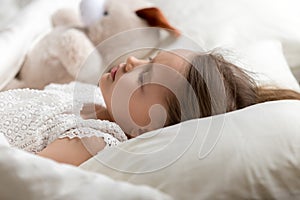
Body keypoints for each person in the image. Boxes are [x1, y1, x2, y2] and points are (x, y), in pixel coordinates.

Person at [1, 49, 300, 166]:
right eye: (150, 58)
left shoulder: (93, 140)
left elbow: (19, 174)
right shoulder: (91, 97)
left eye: (144, 78)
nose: (133, 61)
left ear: (150, 126)